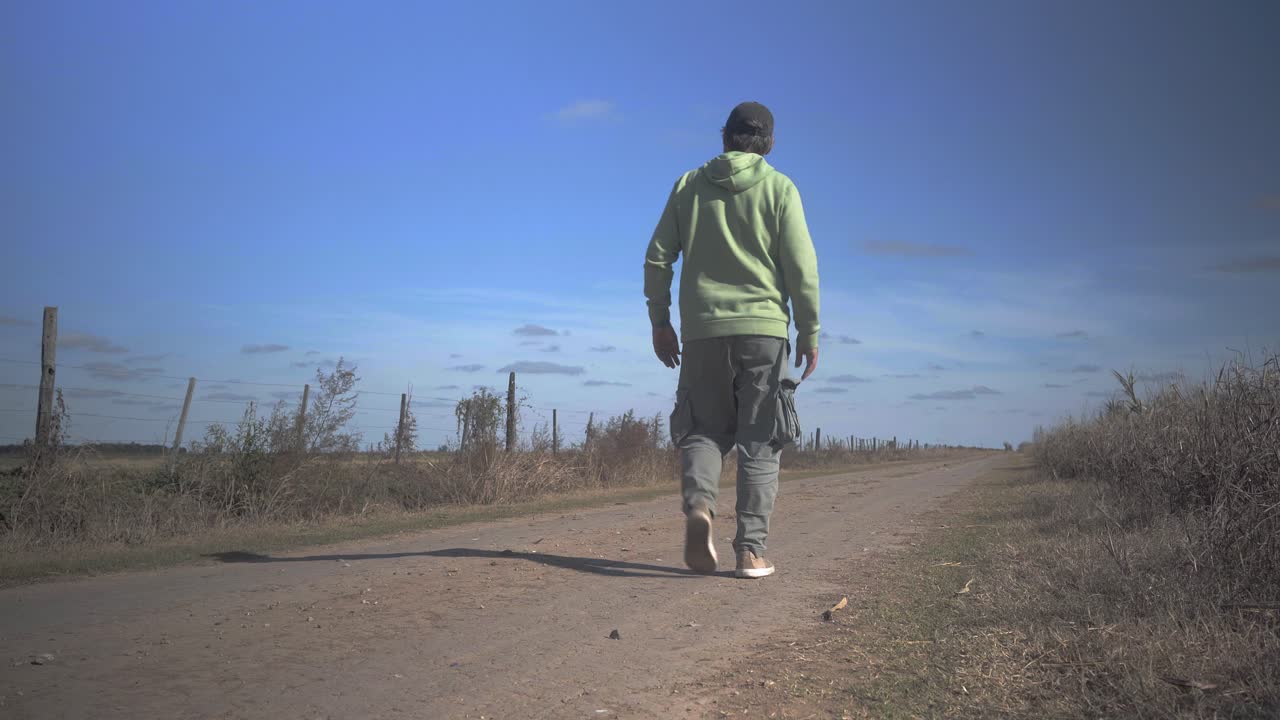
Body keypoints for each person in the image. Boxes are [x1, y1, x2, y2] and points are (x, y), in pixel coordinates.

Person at [643, 101, 820, 579]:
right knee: (759, 441)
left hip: (702, 333)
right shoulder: (781, 189)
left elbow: (658, 259)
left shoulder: (688, 186)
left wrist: (660, 321)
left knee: (703, 429)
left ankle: (700, 507)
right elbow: (801, 268)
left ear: (724, 138)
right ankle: (750, 552)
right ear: (769, 143)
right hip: (765, 331)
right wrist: (809, 329)